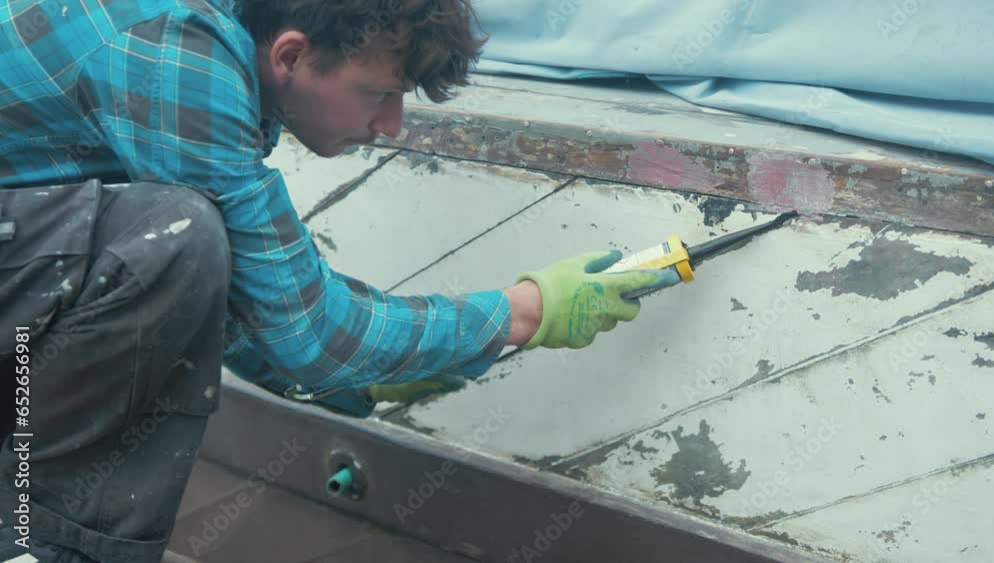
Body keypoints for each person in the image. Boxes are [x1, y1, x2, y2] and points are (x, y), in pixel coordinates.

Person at [0, 0, 667, 561]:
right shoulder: (174, 55)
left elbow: (209, 291)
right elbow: (308, 332)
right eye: (379, 95)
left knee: (180, 236)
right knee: (179, 229)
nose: (391, 126)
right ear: (290, 57)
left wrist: (364, 382)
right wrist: (521, 312)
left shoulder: (204, 38)